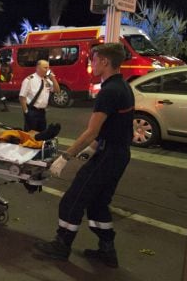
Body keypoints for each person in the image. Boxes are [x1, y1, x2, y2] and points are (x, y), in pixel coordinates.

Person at [33, 43, 134, 268]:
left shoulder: (108, 91)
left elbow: (92, 131)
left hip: (109, 155)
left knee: (73, 199)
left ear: (105, 62)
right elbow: (114, 126)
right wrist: (92, 149)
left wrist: (65, 157)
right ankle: (107, 250)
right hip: (118, 153)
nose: (91, 63)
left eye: (94, 60)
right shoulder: (123, 87)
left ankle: (61, 245)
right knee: (98, 204)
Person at [19, 59, 60, 132]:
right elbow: (22, 97)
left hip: (42, 112)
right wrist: (26, 112)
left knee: (41, 134)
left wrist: (53, 79)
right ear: (38, 68)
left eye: (48, 67)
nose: (48, 70)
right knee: (30, 135)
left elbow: (57, 90)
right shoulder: (29, 80)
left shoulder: (47, 80)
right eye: (45, 68)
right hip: (32, 110)